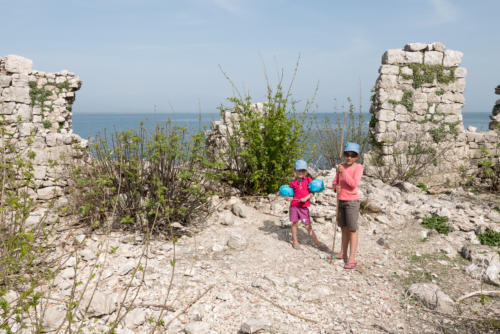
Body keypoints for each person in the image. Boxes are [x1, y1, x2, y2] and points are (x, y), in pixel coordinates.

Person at [332, 142, 363, 269]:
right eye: (347, 154)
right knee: (343, 228)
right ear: (344, 154)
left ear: (357, 157)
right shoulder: (340, 166)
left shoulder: (358, 168)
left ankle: (352, 257)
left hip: (351, 202)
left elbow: (353, 184)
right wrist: (335, 188)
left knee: (352, 229)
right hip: (341, 200)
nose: (349, 157)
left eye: (353, 155)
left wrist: (343, 173)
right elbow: (334, 183)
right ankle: (343, 253)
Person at [288, 159, 327, 250]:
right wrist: (288, 198)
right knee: (295, 224)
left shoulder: (308, 180)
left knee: (308, 226)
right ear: (295, 170)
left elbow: (312, 193)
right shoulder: (292, 183)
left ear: (306, 171)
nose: (301, 172)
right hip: (294, 206)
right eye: (299, 170)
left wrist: (306, 198)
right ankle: (295, 241)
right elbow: (290, 195)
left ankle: (317, 243)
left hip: (303, 208)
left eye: (303, 170)